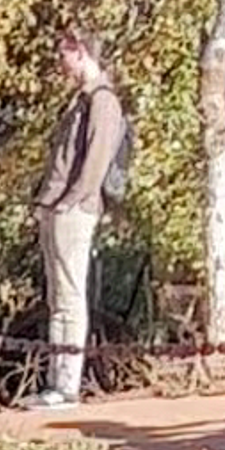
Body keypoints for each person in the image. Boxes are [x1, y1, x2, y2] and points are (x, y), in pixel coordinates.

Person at [33, 28, 130, 408]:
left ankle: (68, 385)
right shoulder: (80, 99)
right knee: (57, 297)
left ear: (81, 52)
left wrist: (72, 202)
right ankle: (55, 382)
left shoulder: (103, 101)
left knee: (70, 296)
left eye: (65, 51)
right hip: (56, 206)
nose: (60, 59)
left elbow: (96, 159)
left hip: (74, 211)